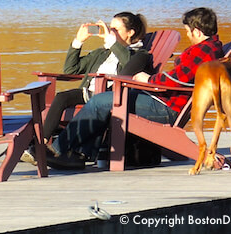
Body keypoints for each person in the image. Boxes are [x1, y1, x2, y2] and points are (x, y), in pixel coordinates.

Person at [46, 7, 223, 169]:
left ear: (197, 32)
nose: (188, 35)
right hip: (160, 98)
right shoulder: (207, 49)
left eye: (188, 31)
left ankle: (56, 150)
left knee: (101, 101)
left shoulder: (203, 51)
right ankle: (78, 155)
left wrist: (149, 79)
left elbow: (176, 80)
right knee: (105, 101)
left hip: (167, 107)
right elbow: (178, 78)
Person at [21, 12, 151, 166]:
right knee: (62, 97)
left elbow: (127, 70)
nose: (110, 32)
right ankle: (40, 143)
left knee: (94, 107)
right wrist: (78, 42)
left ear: (130, 33)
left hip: (111, 97)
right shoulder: (102, 53)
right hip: (89, 93)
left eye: (115, 29)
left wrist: (111, 42)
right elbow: (71, 69)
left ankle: (63, 152)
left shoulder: (140, 54)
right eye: (110, 28)